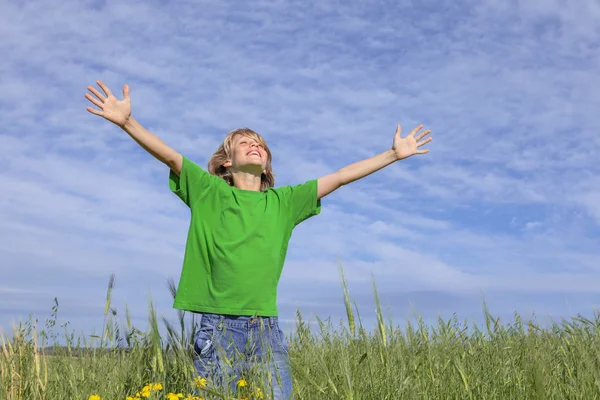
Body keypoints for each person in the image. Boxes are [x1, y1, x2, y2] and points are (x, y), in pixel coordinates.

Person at [85, 80, 432, 399]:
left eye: (260, 145)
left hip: (267, 329)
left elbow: (340, 177)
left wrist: (392, 155)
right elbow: (170, 156)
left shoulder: (284, 202)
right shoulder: (208, 193)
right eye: (245, 143)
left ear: (267, 165)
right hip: (218, 328)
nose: (255, 146)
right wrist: (127, 123)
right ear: (225, 163)